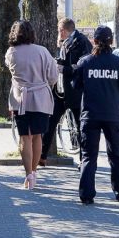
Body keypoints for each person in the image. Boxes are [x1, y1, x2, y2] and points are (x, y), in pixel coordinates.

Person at [73, 26, 119, 204]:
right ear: (111, 41)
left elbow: (76, 86)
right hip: (113, 114)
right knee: (116, 155)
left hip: (90, 115)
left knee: (89, 156)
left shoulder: (85, 62)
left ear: (94, 41)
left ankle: (86, 194)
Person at [6, 21, 58, 190]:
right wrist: (44, 85)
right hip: (41, 98)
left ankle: (28, 174)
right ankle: (34, 172)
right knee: (37, 136)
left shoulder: (11, 52)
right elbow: (53, 76)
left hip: (20, 98)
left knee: (24, 137)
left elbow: (11, 71)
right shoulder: (42, 51)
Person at [41, 18, 92, 166]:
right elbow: (66, 61)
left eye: (59, 30)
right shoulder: (66, 41)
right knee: (50, 122)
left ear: (63, 30)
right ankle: (42, 156)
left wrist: (66, 69)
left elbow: (84, 66)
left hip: (75, 91)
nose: (58, 33)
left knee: (79, 125)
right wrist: (57, 61)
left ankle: (84, 160)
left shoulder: (81, 42)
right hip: (61, 91)